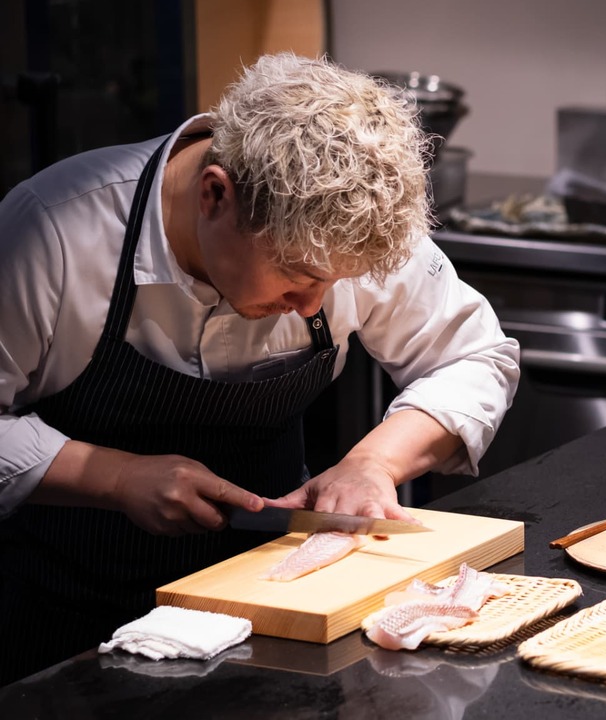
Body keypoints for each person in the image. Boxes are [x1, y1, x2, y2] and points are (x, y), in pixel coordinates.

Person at [0, 53, 519, 683]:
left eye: (335, 283)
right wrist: (114, 477)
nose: (313, 305)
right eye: (299, 277)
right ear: (216, 194)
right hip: (69, 625)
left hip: (283, 615)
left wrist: (373, 463)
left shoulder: (349, 220)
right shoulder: (53, 231)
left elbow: (474, 354)